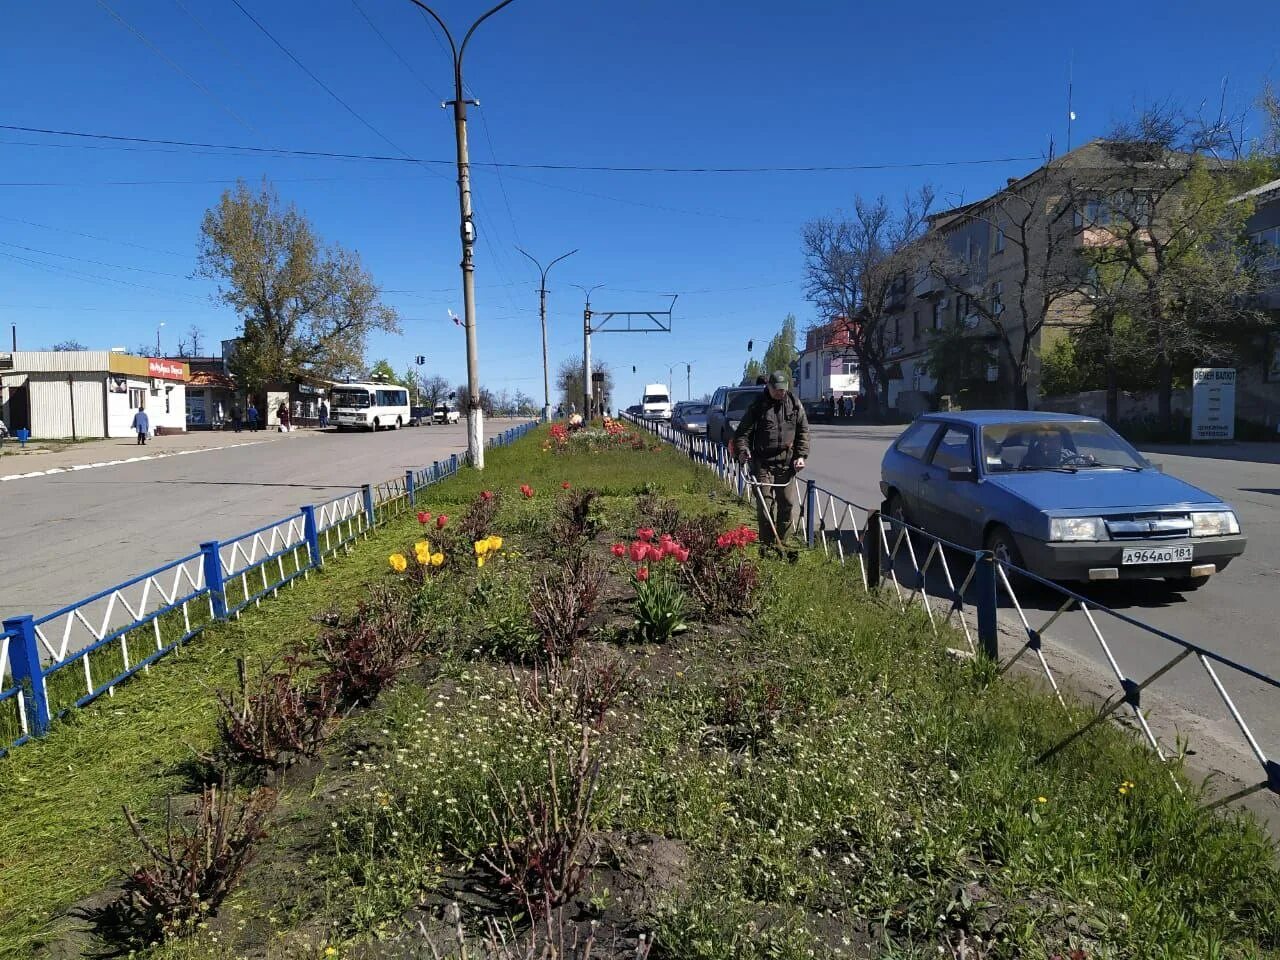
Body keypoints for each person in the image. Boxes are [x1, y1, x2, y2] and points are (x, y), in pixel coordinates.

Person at [732, 370, 810, 557]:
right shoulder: (758, 406)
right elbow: (742, 434)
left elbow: (803, 432)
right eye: (777, 390)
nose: (780, 393)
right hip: (763, 463)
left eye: (783, 390)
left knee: (787, 505)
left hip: (786, 463)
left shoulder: (795, 404)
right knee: (766, 506)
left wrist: (801, 456)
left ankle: (782, 543)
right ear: (769, 387)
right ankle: (767, 546)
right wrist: (743, 451)